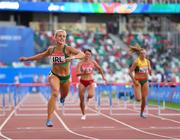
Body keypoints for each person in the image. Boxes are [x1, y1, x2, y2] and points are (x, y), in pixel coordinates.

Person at [19, 30, 85, 127]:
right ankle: (49, 119)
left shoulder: (68, 49)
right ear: (55, 37)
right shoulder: (51, 49)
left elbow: (82, 54)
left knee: (64, 95)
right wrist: (27, 59)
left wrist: (73, 57)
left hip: (66, 77)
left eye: (63, 36)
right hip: (54, 75)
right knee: (55, 92)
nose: (61, 38)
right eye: (59, 36)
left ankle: (62, 98)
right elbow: (40, 56)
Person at [76, 49, 106, 120]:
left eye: (89, 54)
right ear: (83, 54)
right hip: (82, 81)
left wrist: (103, 77)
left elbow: (100, 69)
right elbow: (77, 74)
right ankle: (83, 114)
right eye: (86, 54)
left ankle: (88, 99)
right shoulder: (80, 63)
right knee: (81, 99)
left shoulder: (93, 62)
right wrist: (83, 73)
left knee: (91, 95)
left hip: (90, 81)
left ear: (91, 55)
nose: (87, 55)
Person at [128, 44, 152, 118]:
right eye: (142, 53)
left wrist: (150, 71)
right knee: (138, 99)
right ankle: (134, 94)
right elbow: (129, 72)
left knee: (144, 99)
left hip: (145, 81)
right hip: (137, 81)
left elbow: (150, 72)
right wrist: (134, 80)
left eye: (144, 53)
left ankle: (141, 113)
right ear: (139, 54)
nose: (143, 54)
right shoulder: (136, 62)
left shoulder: (147, 62)